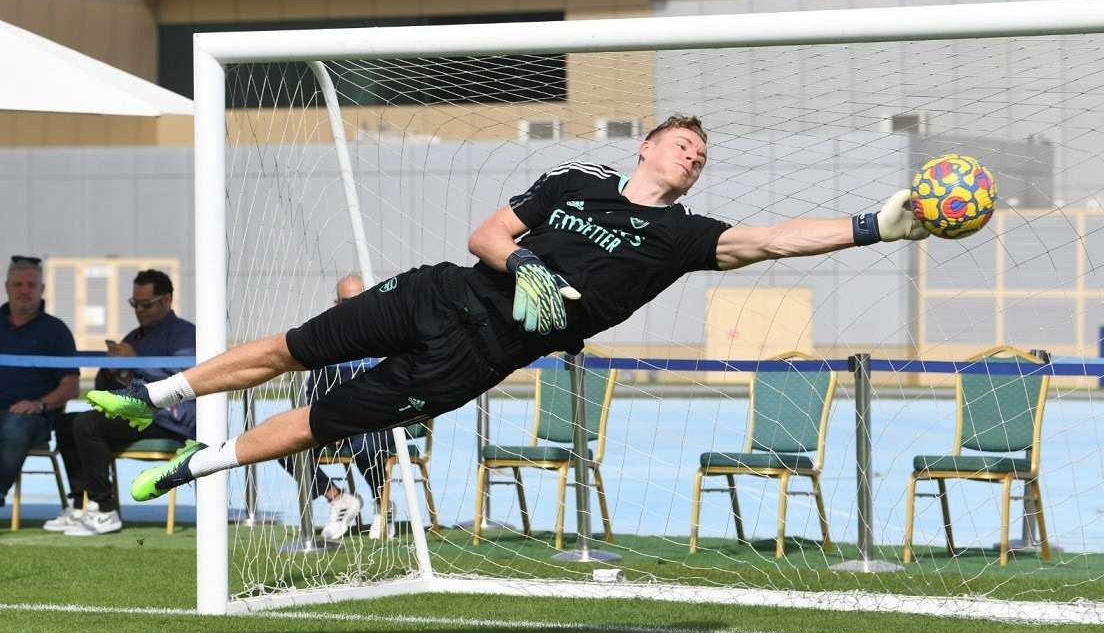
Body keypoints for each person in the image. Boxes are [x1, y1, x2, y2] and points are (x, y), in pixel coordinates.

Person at [87, 115, 927, 504]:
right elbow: (486, 231)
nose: (694, 156)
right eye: (683, 144)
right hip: (438, 293)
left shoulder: (681, 236)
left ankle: (191, 465)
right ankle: (154, 397)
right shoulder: (573, 183)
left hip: (472, 358)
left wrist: (870, 228)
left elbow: (776, 238)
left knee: (323, 421)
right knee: (291, 345)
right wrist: (523, 263)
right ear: (646, 145)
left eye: (702, 155)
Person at [46, 270, 194, 535]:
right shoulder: (135, 337)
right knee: (66, 423)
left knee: (86, 424)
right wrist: (113, 370)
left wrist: (134, 363)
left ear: (167, 300)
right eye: (134, 304)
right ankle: (80, 505)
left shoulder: (185, 335)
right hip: (136, 414)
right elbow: (107, 387)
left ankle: (104, 510)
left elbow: (185, 382)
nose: (139, 310)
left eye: (146, 304)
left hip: (168, 418)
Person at [279, 275, 398, 542]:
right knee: (282, 444)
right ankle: (339, 498)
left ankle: (384, 503)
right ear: (336, 304)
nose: (354, 307)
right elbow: (313, 393)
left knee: (366, 445)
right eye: (347, 302)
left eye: (359, 300)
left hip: (380, 418)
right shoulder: (325, 339)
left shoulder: (390, 332)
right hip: (335, 419)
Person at [0, 255, 79, 506]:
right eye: (18, 284)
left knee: (15, 425)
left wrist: (39, 404)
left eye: (31, 285)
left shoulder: (57, 331)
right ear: (7, 287)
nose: (24, 291)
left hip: (32, 417)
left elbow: (71, 386)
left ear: (42, 289)